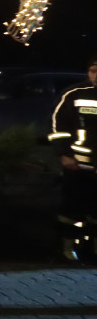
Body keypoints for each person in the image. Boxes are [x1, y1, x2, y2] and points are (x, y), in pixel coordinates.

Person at [49, 57, 97, 262]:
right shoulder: (73, 94)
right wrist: (64, 155)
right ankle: (65, 251)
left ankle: (93, 252)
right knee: (70, 209)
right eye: (93, 70)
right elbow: (58, 126)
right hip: (77, 165)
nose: (96, 75)